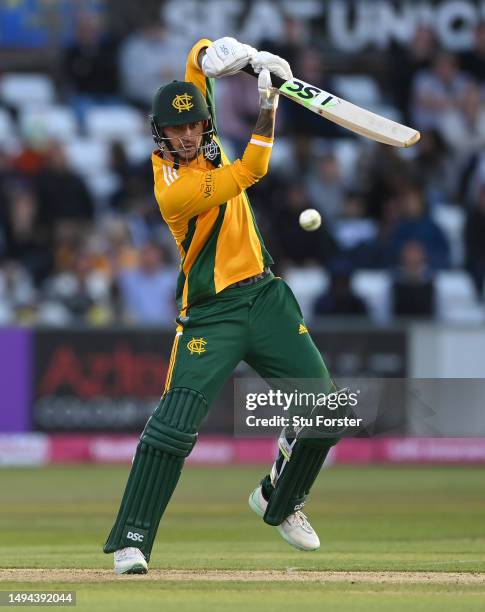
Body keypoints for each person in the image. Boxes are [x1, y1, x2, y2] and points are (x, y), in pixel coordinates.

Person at [103, 37, 342, 574]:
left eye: (194, 125)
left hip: (266, 295)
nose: (187, 136)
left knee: (326, 411)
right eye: (176, 129)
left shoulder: (206, 136)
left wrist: (220, 51)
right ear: (159, 134)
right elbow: (253, 168)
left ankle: (278, 498)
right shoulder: (174, 188)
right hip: (212, 312)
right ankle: (131, 540)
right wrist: (269, 100)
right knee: (174, 427)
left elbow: (196, 68)